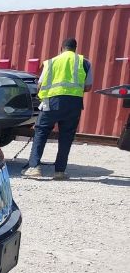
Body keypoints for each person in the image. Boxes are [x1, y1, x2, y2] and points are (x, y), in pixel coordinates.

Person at [24, 38, 93, 180]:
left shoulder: (51, 62)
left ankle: (34, 168)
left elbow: (40, 85)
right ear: (75, 49)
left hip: (51, 102)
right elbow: (88, 86)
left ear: (61, 48)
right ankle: (60, 171)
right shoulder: (84, 62)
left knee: (41, 133)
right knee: (66, 137)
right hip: (74, 104)